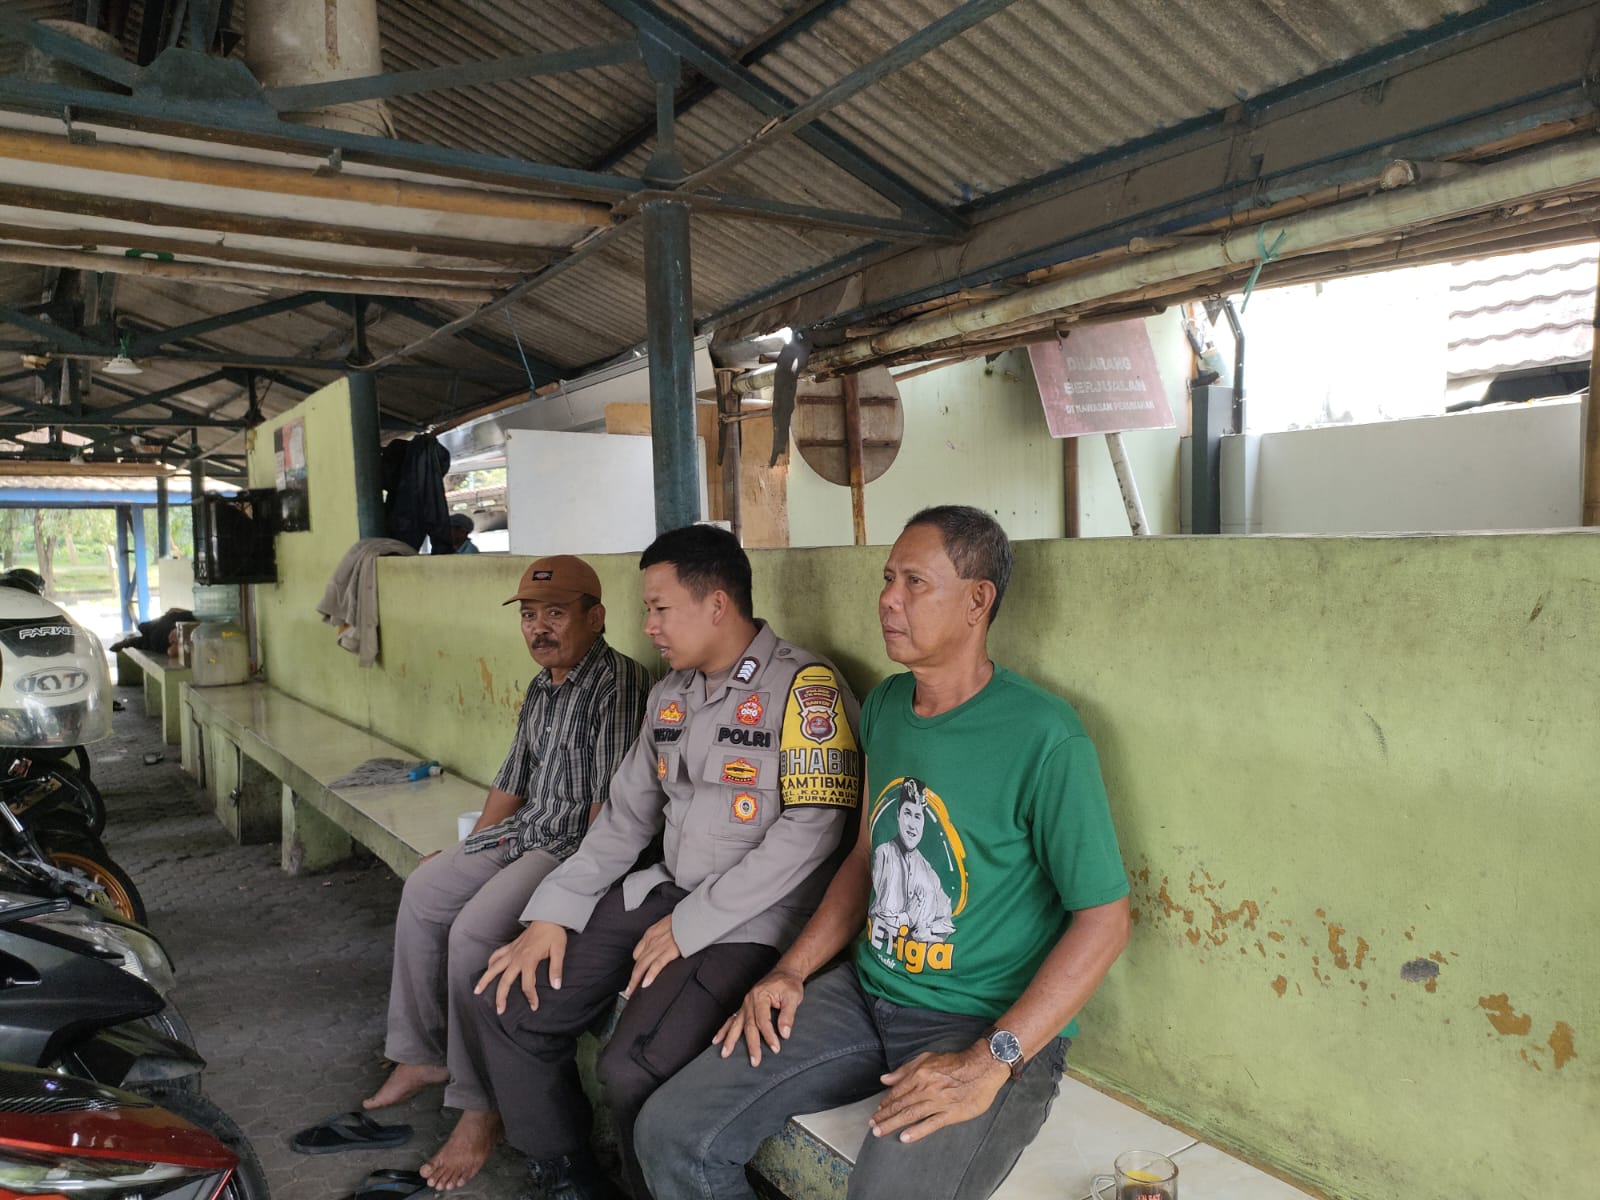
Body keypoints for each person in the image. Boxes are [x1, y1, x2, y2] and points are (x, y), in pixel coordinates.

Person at [636, 506, 1132, 1200]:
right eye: (887, 579)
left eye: (914, 583)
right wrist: (791, 971)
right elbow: (867, 855)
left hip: (982, 1025)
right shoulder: (888, 706)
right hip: (866, 996)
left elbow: (1105, 920)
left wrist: (992, 1060)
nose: (888, 600)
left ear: (977, 601)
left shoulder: (1044, 735)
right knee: (671, 1131)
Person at [463, 524, 862, 1200]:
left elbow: (812, 834)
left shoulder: (806, 689)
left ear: (717, 604)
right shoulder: (670, 694)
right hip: (665, 892)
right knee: (506, 1001)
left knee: (633, 1069)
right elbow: (624, 817)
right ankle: (569, 1174)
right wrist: (554, 913)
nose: (648, 625)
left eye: (660, 607)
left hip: (753, 920)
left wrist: (690, 925)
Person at [360, 555, 650, 1191]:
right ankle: (421, 1055)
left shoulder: (619, 683)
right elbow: (513, 778)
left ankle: (480, 1105)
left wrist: (574, 892)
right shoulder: (544, 684)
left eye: (555, 614)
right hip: (526, 832)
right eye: (529, 616)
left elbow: (610, 811)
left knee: (473, 933)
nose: (538, 628)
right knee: (426, 889)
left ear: (596, 617)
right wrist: (469, 850)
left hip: (572, 848)